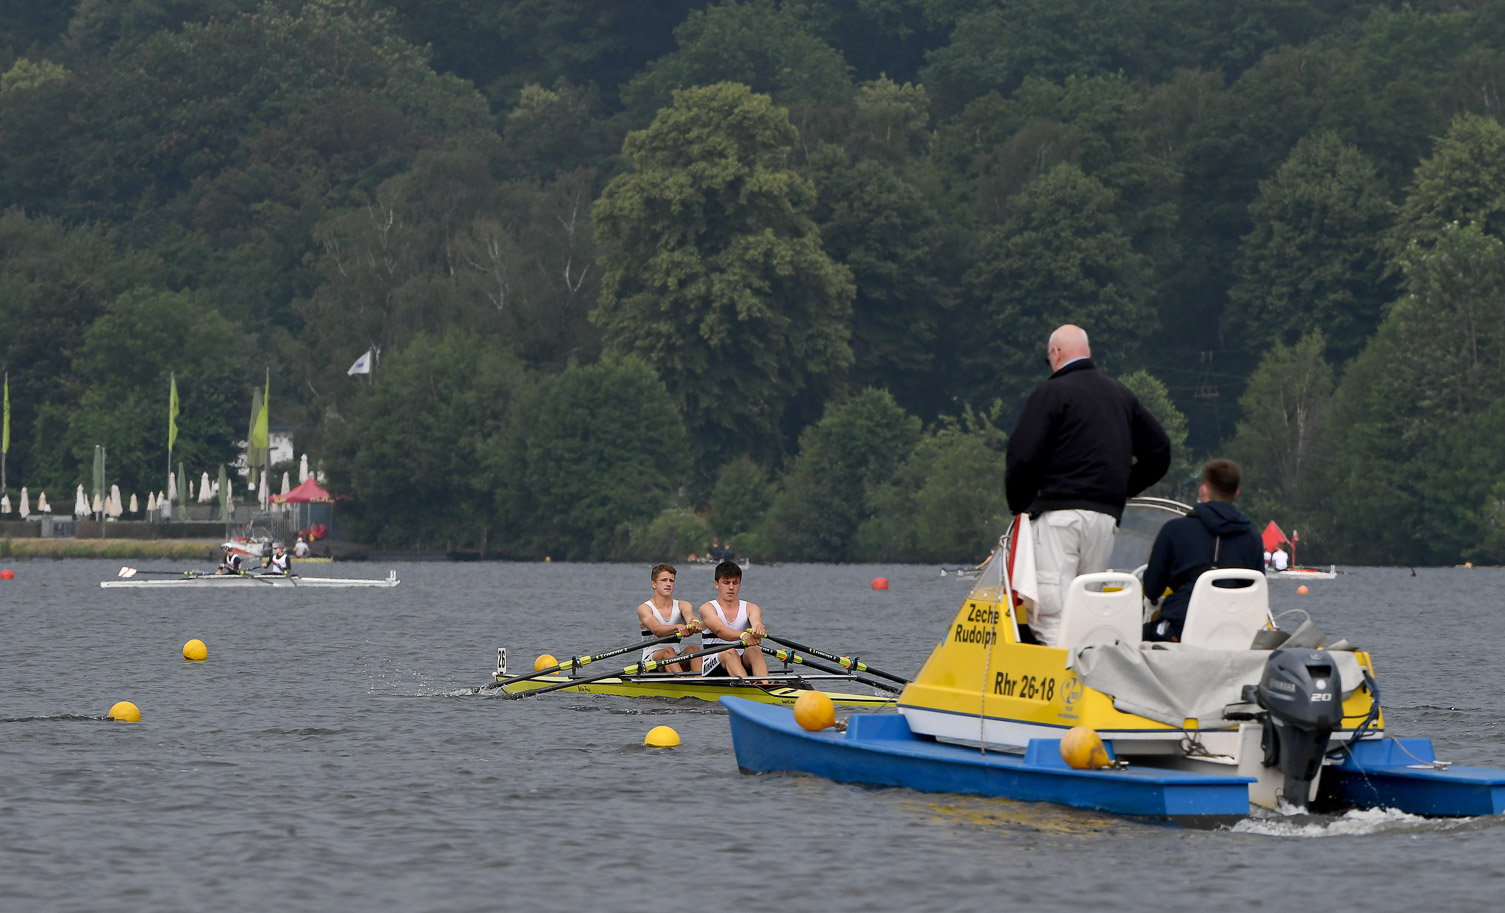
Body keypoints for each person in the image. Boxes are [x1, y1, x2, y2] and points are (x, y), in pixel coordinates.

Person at [1005, 324, 1172, 646]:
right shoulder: (1121, 395)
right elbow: (1160, 452)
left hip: (1058, 518)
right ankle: (1093, 683)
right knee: (1085, 610)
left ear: (1055, 353)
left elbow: (1021, 456)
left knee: (1051, 614)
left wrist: (1020, 505)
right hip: (1104, 521)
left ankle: (1064, 689)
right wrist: (1124, 488)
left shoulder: (1051, 393)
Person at [1141, 459, 1265, 642]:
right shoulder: (1253, 537)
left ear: (1203, 490)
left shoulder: (1173, 530)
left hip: (1181, 627)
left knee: (1137, 634)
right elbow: (1255, 594)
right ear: (1236, 494)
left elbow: (1152, 590)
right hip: (1235, 631)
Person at [698, 560, 769, 679]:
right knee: (730, 652)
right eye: (726, 583)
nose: (731, 587)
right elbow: (720, 630)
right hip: (713, 663)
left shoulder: (751, 608)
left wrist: (758, 629)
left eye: (735, 583)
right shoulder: (707, 608)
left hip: (740, 660)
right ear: (716, 584)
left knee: (754, 650)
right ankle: (748, 688)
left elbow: (757, 622)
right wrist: (743, 635)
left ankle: (764, 686)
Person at [638, 563, 701, 673]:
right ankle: (682, 683)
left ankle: (701, 684)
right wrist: (678, 627)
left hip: (675, 657)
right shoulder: (645, 608)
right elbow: (657, 630)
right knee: (668, 651)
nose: (668, 584)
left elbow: (689, 616)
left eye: (671, 581)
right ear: (654, 584)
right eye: (664, 580)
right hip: (651, 662)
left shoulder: (683, 605)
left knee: (694, 649)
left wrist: (694, 622)